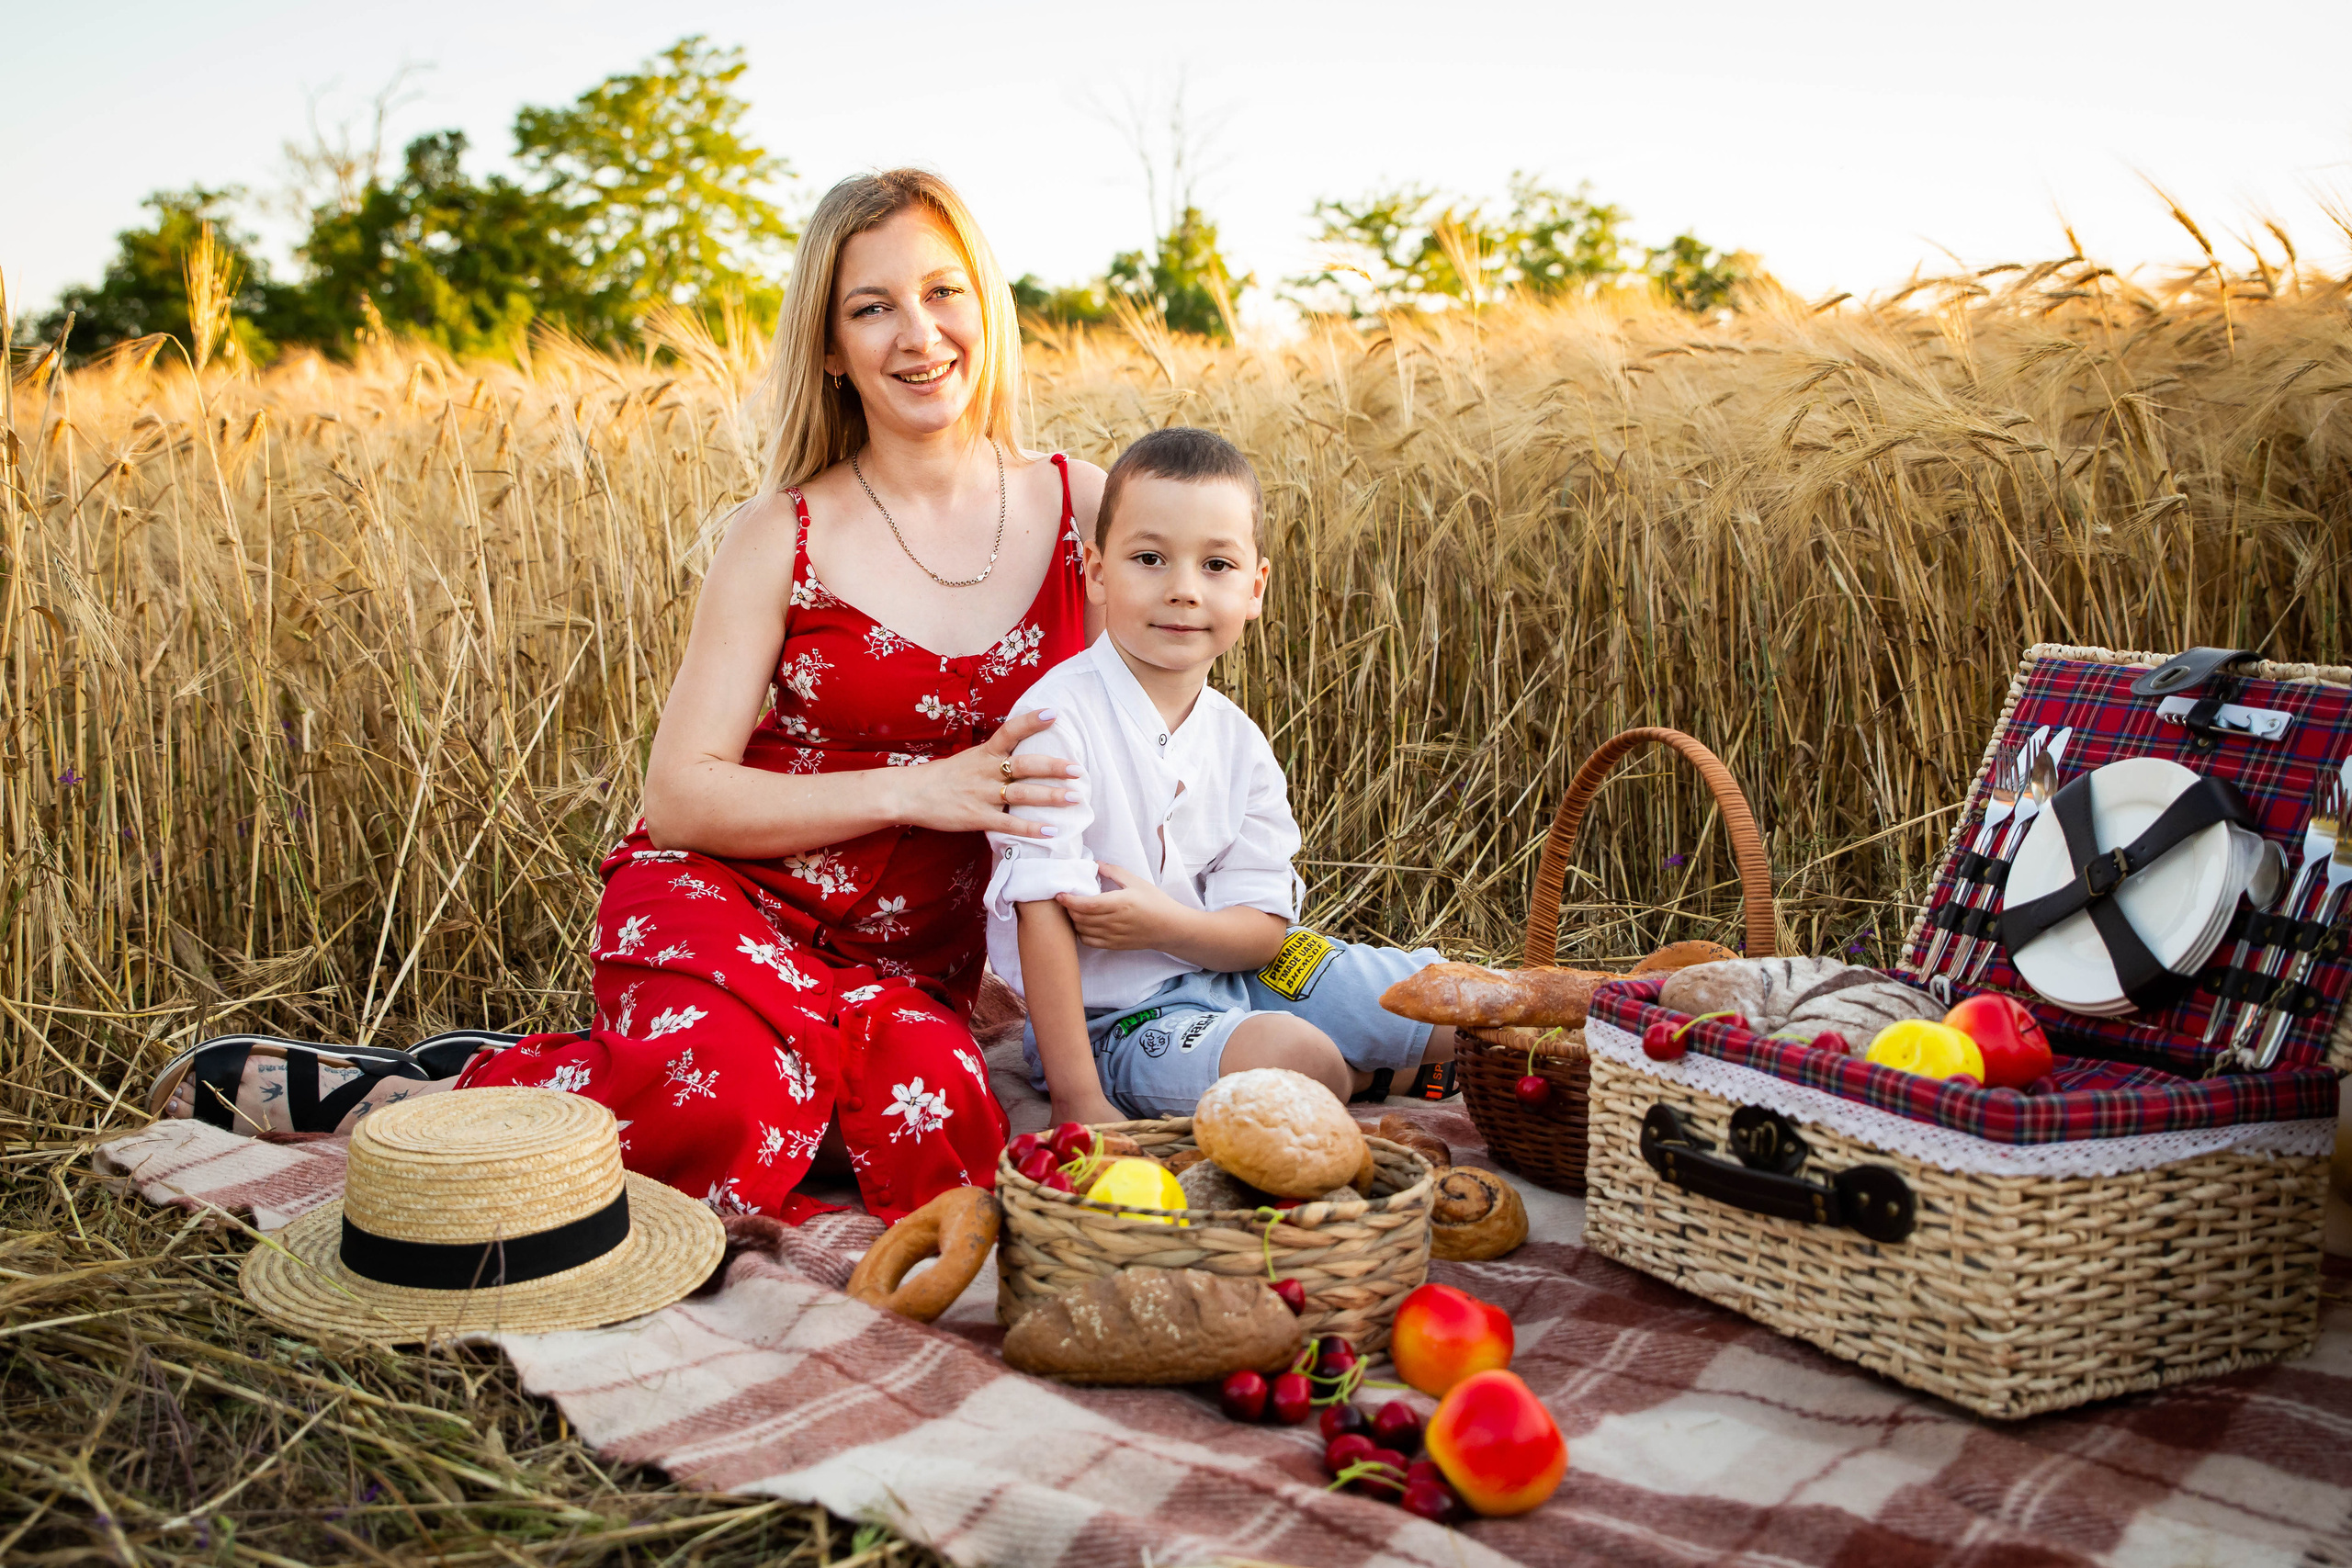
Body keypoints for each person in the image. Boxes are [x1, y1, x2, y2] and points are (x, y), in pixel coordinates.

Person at [154, 170, 1101, 1225]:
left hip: (912, 964)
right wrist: (920, 790)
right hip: (736, 903)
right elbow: (685, 794)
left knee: (930, 1117)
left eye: (942, 292)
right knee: (735, 1107)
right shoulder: (780, 535)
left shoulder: (1088, 511)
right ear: (830, 349)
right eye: (871, 308)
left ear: (987, 302)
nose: (917, 334)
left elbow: (1145, 753)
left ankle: (555, 1072)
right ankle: (414, 1097)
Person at [986, 427, 1453, 1126]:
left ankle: (1413, 1051)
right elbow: (1040, 911)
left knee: (1449, 1003)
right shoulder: (1057, 721)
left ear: (1255, 586)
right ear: (1097, 573)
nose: (1182, 590)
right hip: (1118, 1020)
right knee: (1304, 1064)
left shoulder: (1239, 739)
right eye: (1150, 558)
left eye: (1216, 565)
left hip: (1249, 973)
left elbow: (1264, 932)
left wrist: (1163, 924)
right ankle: (1368, 1068)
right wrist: (1080, 1102)